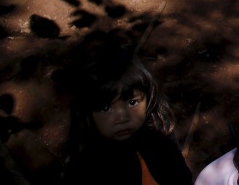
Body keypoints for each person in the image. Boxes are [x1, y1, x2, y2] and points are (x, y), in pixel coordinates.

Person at [62, 47, 194, 185]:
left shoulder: (158, 133)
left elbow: (181, 177)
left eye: (132, 102)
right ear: (88, 113)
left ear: (149, 99)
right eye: (106, 108)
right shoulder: (85, 159)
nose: (122, 118)